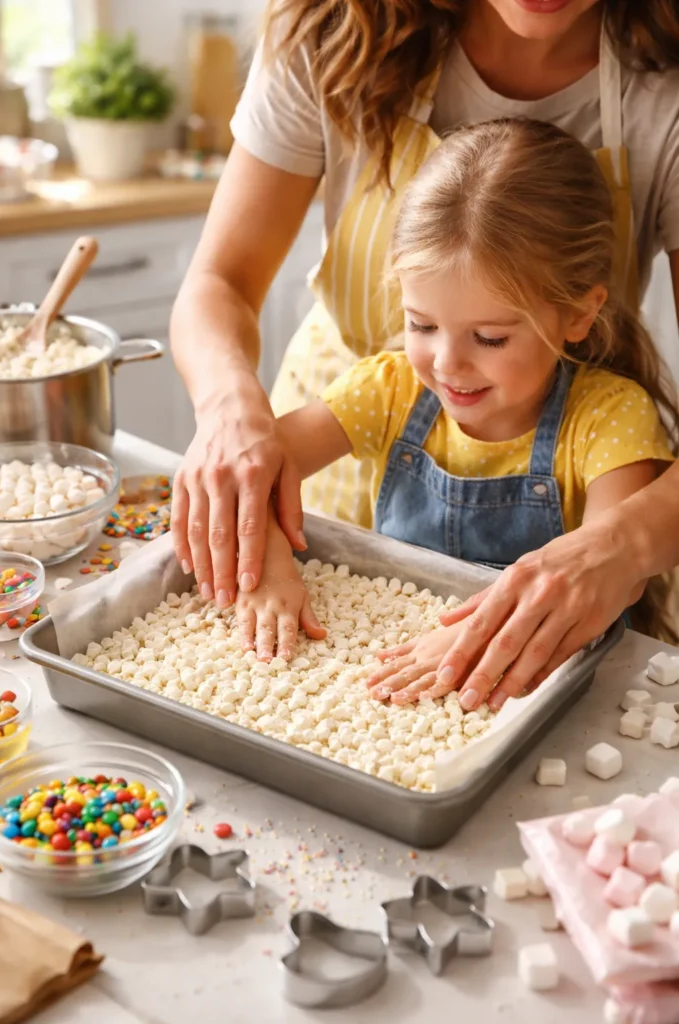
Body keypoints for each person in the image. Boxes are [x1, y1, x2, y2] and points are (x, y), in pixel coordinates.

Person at [170, 0, 679, 701]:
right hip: (329, 508)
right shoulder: (388, 387)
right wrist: (235, 434)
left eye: (492, 335)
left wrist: (614, 549)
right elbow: (218, 282)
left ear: (577, 312)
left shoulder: (606, 421)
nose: (447, 363)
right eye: (421, 324)